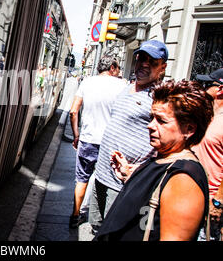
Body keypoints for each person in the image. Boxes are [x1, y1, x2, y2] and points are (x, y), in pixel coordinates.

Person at [94, 79, 213, 241]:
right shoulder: (163, 158)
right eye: (151, 118)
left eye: (161, 120)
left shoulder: (184, 180)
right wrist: (129, 175)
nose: (150, 125)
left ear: (189, 129)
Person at [89, 40, 168, 234]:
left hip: (123, 182)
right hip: (101, 175)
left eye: (152, 61)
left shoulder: (160, 97)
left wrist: (144, 170)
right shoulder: (127, 87)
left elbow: (167, 141)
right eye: (141, 58)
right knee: (96, 227)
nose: (144, 64)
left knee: (114, 232)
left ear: (162, 67)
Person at [68, 56, 126, 228]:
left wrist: (76, 135)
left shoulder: (87, 82)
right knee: (106, 180)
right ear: (113, 67)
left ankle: (75, 215)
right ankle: (101, 221)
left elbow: (73, 111)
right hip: (110, 142)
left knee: (82, 179)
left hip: (87, 139)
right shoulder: (123, 86)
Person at [193, 68, 223, 241]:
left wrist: (218, 202)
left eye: (208, 85)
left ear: (220, 89)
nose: (203, 88)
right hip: (193, 195)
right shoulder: (207, 114)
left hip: (210, 202)